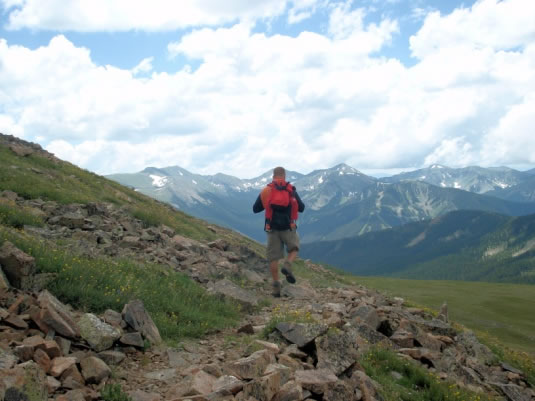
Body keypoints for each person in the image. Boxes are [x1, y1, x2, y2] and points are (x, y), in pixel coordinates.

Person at [253, 166, 305, 297]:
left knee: (273, 258)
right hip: (289, 227)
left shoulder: (266, 190)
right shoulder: (290, 189)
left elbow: (255, 209)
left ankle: (276, 287)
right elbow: (301, 208)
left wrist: (268, 204)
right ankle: (288, 264)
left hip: (272, 228)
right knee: (294, 248)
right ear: (284, 175)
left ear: (273, 175)